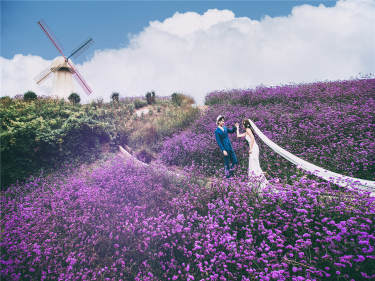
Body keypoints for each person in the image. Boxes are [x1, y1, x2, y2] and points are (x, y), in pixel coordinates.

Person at [235, 119, 268, 187]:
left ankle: (259, 177)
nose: (242, 125)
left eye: (242, 124)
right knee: (253, 164)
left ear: (245, 124)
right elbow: (238, 136)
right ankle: (259, 176)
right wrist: (237, 128)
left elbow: (252, 138)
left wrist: (250, 149)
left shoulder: (248, 130)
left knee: (254, 163)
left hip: (254, 148)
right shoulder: (247, 131)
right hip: (253, 147)